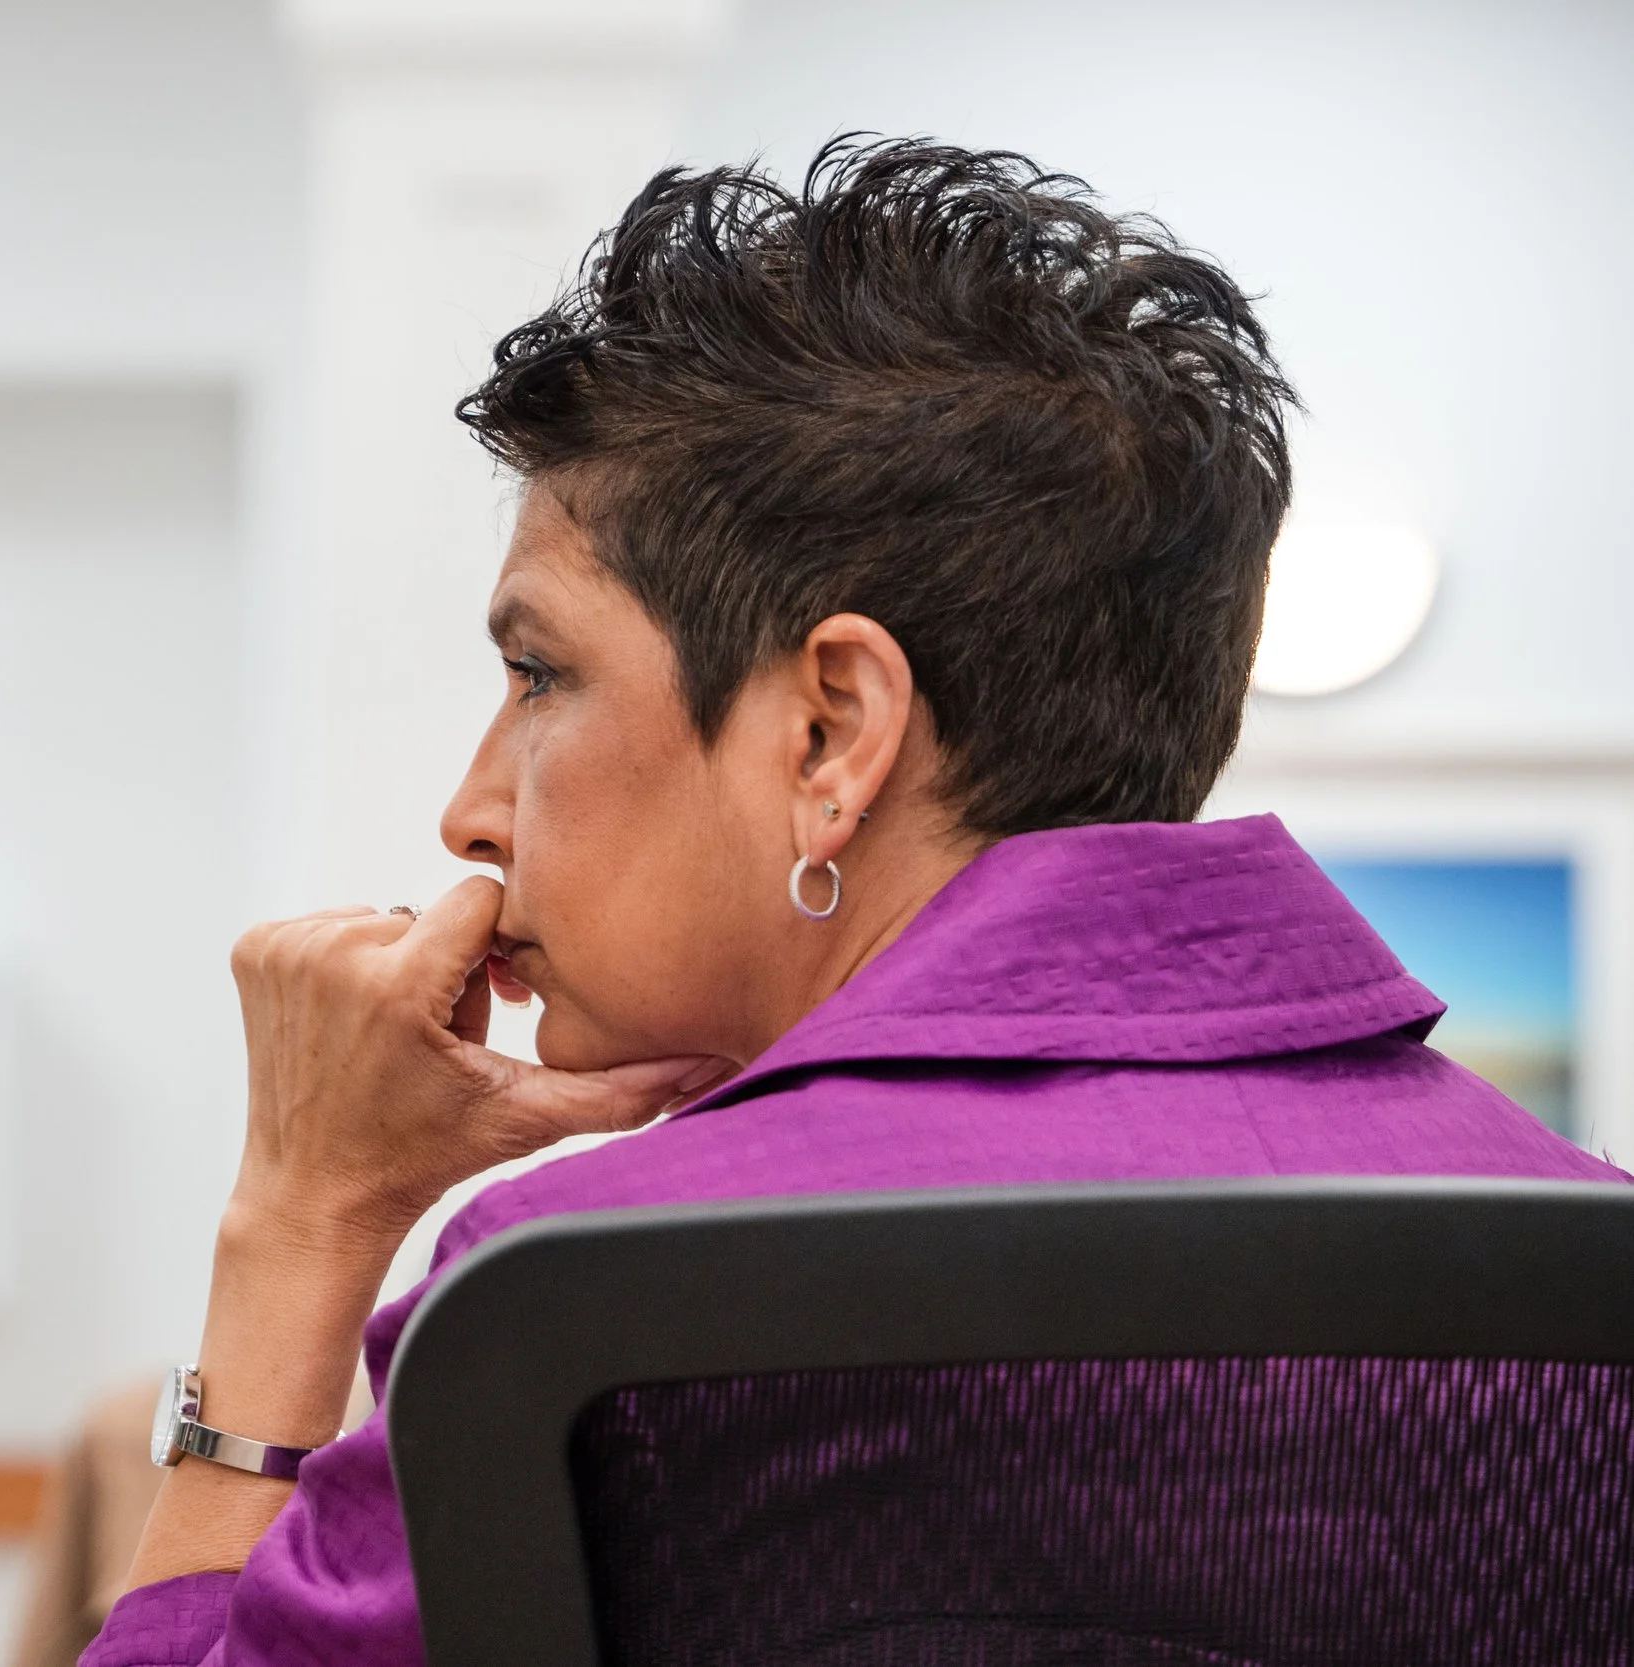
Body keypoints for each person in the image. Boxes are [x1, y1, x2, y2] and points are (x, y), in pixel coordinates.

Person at [79, 137, 1627, 1667]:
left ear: (830, 733)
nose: (472, 811)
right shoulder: (1589, 1270)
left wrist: (299, 1217)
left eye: (541, 672)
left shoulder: (570, 1309)